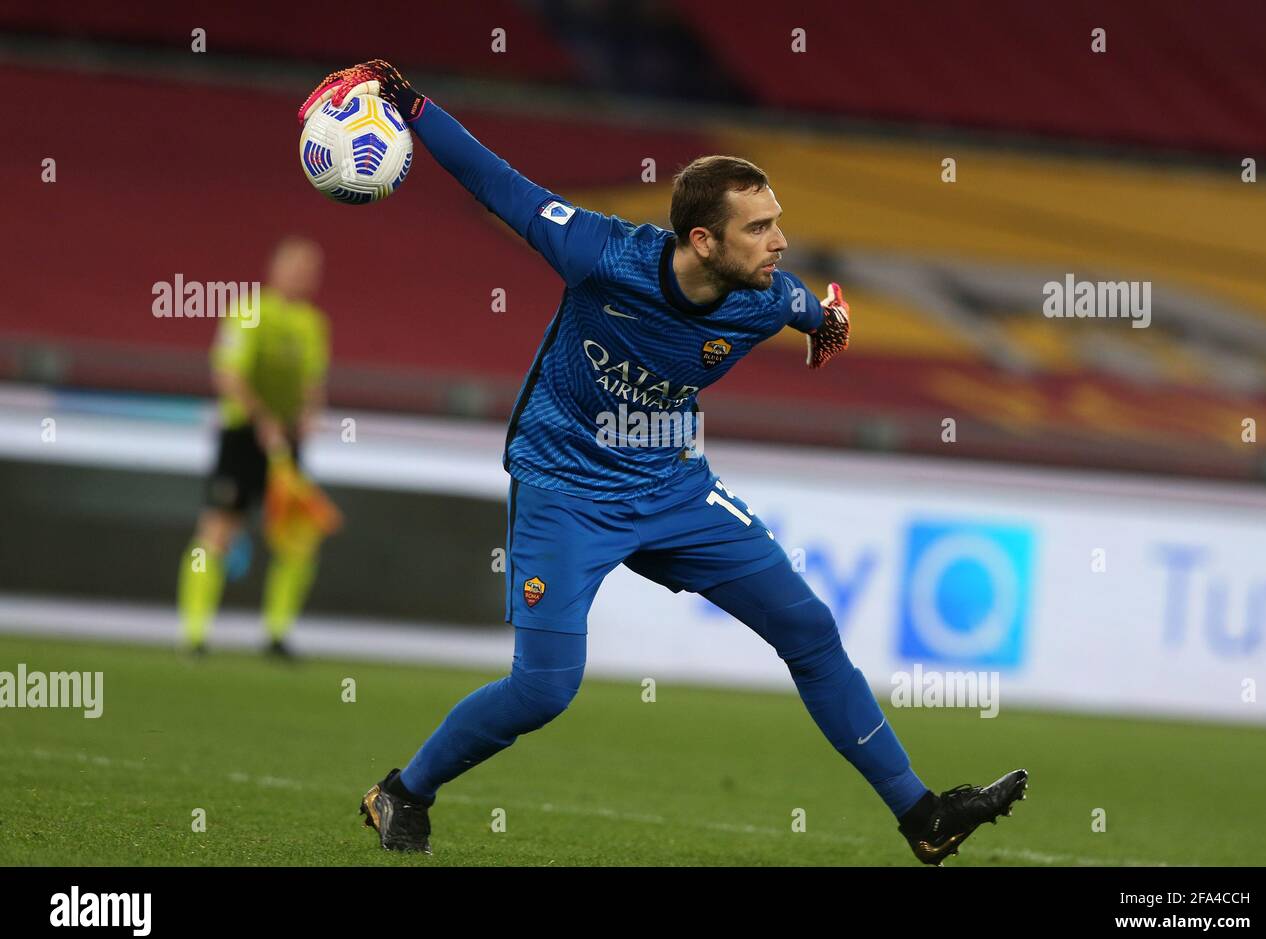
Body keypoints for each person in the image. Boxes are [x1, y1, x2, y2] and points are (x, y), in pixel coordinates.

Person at [297, 62, 1026, 864]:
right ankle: (402, 792)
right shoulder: (600, 252)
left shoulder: (770, 296)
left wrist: (828, 327)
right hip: (565, 487)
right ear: (703, 240)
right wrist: (410, 104)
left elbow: (815, 313)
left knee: (810, 629)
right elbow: (496, 182)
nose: (780, 241)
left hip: (674, 488)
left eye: (778, 222)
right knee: (543, 690)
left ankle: (921, 815)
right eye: (759, 228)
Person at [176, 236, 330, 659]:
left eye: (310, 269)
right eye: (296, 266)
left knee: (296, 539)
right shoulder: (248, 311)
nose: (303, 276)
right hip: (243, 437)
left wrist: (308, 415)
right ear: (274, 268)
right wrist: (262, 421)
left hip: (286, 443)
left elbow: (312, 383)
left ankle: (277, 635)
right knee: (219, 529)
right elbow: (228, 376)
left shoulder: (313, 324)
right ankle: (194, 634)